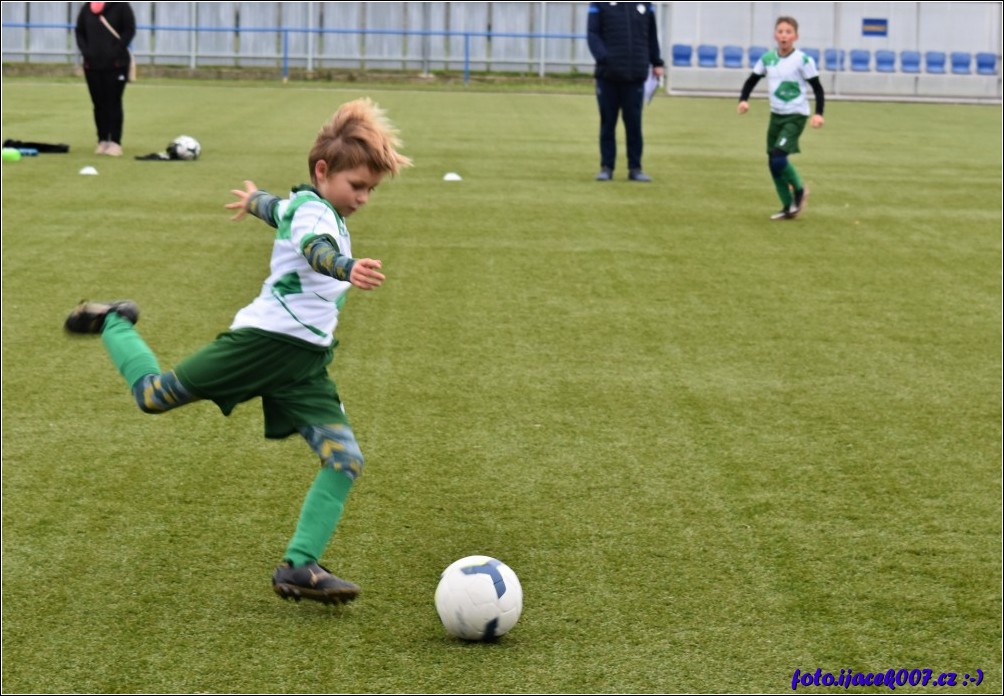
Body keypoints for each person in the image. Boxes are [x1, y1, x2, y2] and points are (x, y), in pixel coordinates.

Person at [63, 98, 413, 605]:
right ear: (322, 170)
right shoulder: (316, 211)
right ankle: (115, 322)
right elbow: (317, 248)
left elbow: (280, 210)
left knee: (344, 460)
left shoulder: (311, 206)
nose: (363, 198)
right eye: (357, 186)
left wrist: (255, 201)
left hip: (306, 364)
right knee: (154, 395)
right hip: (260, 344)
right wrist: (346, 268)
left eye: (371, 190)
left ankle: (298, 566)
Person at [737, 16, 825, 220]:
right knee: (772, 162)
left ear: (795, 36)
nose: (784, 35)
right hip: (776, 116)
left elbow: (817, 88)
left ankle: (800, 190)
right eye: (780, 31)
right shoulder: (767, 59)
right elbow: (752, 80)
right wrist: (743, 100)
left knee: (778, 158)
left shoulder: (803, 60)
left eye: (788, 32)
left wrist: (819, 113)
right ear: (775, 35)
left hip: (796, 116)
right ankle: (788, 207)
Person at [587, 1, 665, 182]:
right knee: (608, 123)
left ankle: (635, 168)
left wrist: (657, 62)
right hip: (608, 75)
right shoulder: (600, 4)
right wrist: (604, 57)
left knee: (634, 124)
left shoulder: (645, 5)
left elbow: (652, 35)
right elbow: (592, 34)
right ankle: (607, 167)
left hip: (635, 74)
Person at [75, 2, 135, 157]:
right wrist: (86, 52)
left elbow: (129, 30)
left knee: (113, 102)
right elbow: (79, 32)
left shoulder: (121, 6)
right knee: (98, 103)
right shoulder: (87, 8)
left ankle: (115, 142)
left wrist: (116, 50)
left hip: (116, 64)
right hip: (92, 64)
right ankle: (102, 140)